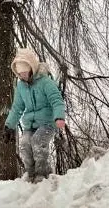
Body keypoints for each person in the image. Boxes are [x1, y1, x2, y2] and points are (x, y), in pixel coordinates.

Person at [4, 47, 67, 182]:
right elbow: (17, 107)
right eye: (20, 74)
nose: (23, 76)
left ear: (32, 68)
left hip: (47, 123)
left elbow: (57, 100)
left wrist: (59, 116)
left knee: (38, 141)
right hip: (31, 124)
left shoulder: (45, 82)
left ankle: (42, 175)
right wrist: (9, 126)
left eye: (25, 73)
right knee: (25, 144)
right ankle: (31, 175)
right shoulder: (21, 85)